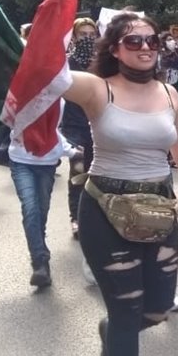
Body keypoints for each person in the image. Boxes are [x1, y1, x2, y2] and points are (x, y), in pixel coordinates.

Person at [56, 12, 178, 356]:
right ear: (115, 48)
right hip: (106, 209)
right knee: (126, 310)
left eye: (151, 40)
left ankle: (112, 332)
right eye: (133, 41)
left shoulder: (169, 93)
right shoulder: (96, 88)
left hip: (158, 209)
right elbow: (46, 74)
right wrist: (50, 29)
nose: (144, 47)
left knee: (157, 308)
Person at [8, 99, 80, 288]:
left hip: (46, 163)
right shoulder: (20, 93)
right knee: (30, 208)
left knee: (41, 211)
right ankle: (39, 262)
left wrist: (71, 152)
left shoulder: (60, 100)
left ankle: (40, 252)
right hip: (20, 161)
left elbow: (52, 130)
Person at [62, 17, 99, 239]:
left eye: (91, 35)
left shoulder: (101, 64)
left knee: (96, 174)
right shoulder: (65, 63)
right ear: (74, 37)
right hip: (73, 125)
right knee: (77, 171)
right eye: (83, 35)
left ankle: (94, 216)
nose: (87, 39)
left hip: (97, 125)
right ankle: (75, 217)